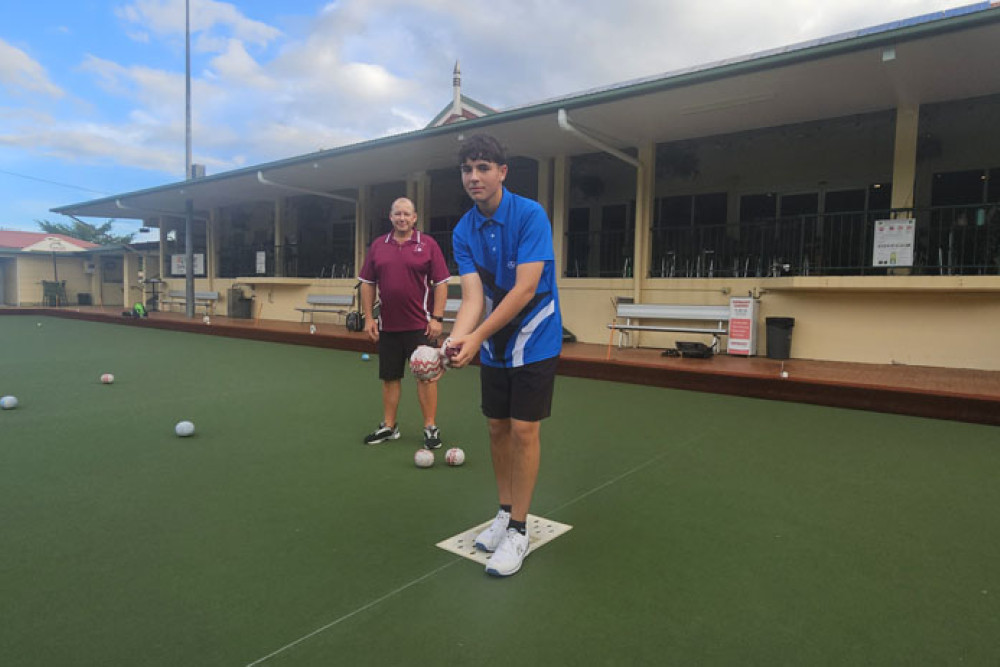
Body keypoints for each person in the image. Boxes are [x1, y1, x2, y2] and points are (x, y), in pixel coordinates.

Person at [446, 134, 562, 577]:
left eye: (482, 168)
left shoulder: (530, 214)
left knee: (523, 429)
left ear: (501, 172)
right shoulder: (463, 230)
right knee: (496, 426)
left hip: (535, 335)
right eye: (466, 170)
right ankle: (504, 510)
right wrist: (457, 340)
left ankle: (518, 529)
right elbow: (473, 297)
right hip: (493, 340)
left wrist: (474, 337)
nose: (473, 177)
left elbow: (526, 288)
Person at [358, 197, 451, 449]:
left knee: (426, 377)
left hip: (421, 326)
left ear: (414, 217)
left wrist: (437, 318)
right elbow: (367, 283)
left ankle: (430, 427)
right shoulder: (378, 246)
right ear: (390, 217)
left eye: (406, 214)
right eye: (397, 214)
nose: (402, 218)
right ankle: (389, 426)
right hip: (388, 327)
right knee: (390, 378)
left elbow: (441, 283)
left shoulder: (428, 244)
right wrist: (369, 318)